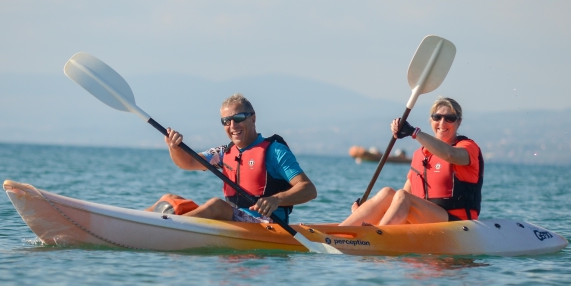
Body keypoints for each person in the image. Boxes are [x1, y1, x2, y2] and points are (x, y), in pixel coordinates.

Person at [145, 93, 317, 224]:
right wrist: (174, 147)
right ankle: (135, 222)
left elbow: (308, 189)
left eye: (239, 118)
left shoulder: (274, 151)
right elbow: (188, 162)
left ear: (253, 118)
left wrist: (277, 199)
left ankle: (169, 228)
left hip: (265, 223)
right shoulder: (223, 152)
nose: (232, 126)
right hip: (233, 219)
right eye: (226, 121)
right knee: (168, 198)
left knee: (215, 205)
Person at [339, 97, 483, 226]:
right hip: (424, 218)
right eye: (437, 117)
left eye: (449, 118)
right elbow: (401, 197)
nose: (442, 122)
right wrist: (365, 211)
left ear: (459, 122)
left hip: (456, 221)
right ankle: (341, 232)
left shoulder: (467, 147)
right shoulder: (420, 155)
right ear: (431, 120)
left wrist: (413, 132)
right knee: (387, 193)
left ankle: (376, 236)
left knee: (402, 196)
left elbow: (450, 155)